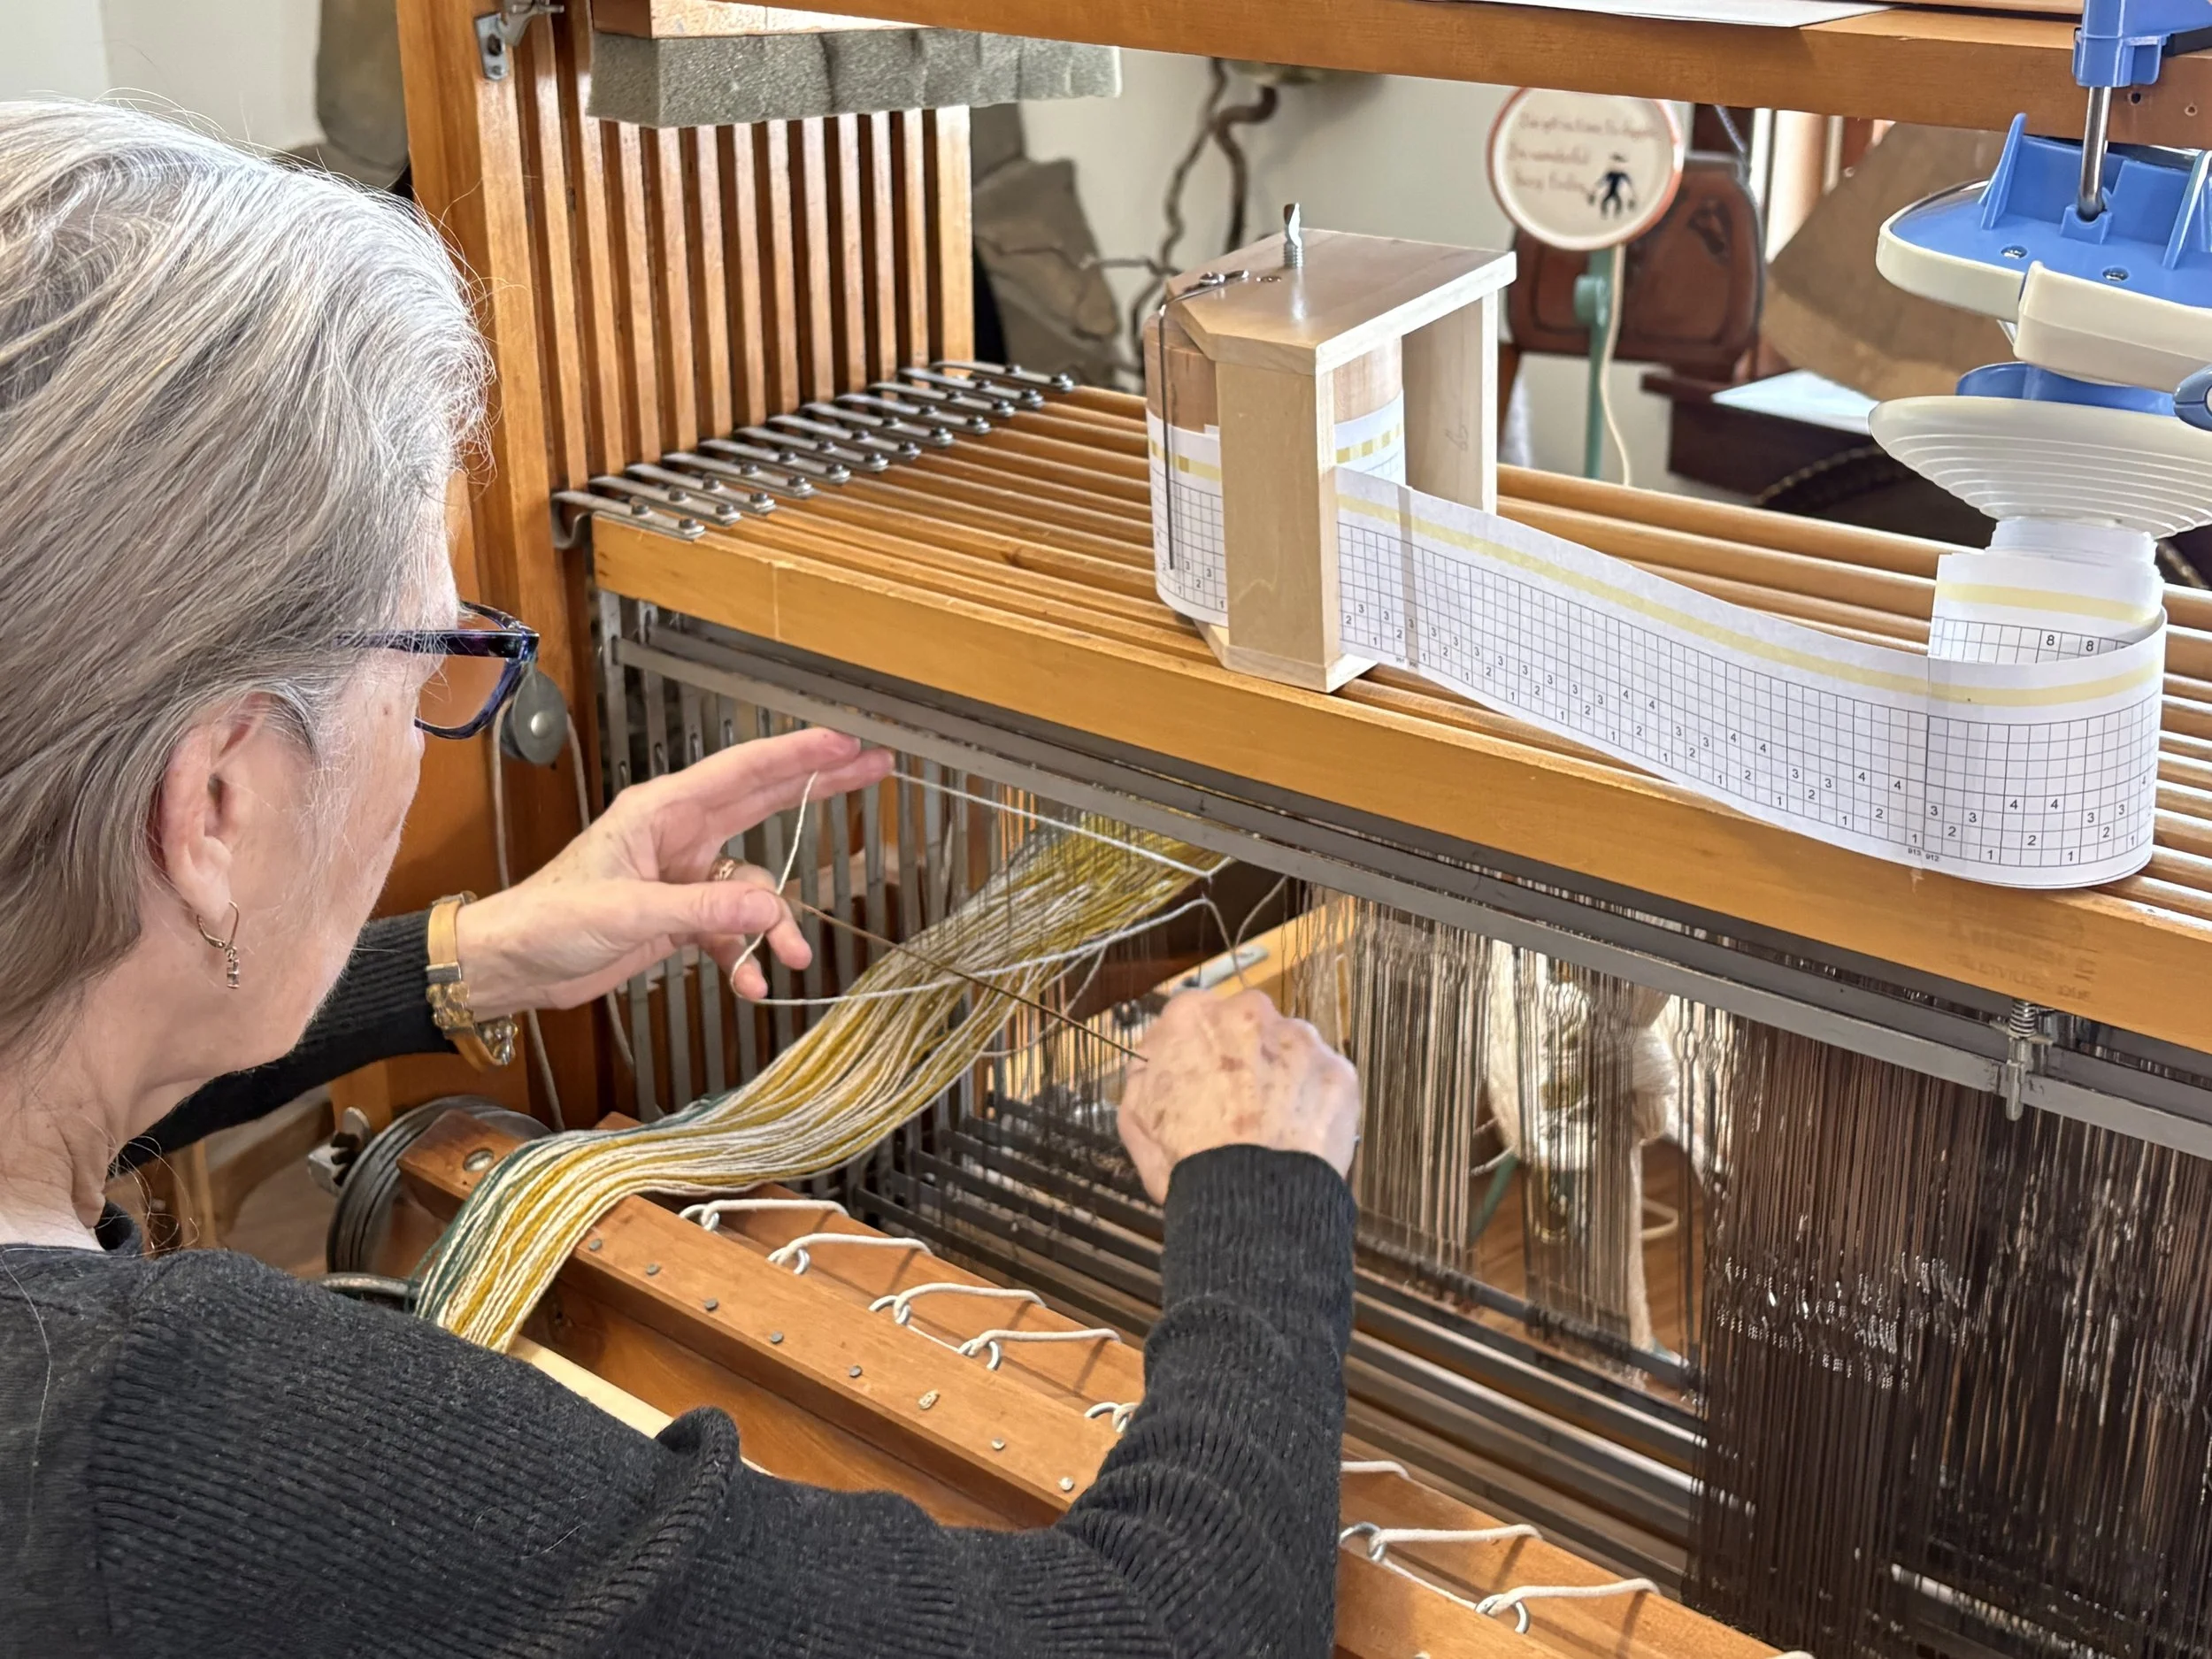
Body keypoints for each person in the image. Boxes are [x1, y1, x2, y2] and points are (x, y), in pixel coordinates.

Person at [0, 101, 1364, 1658]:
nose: (446, 700)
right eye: (438, 650)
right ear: (220, 801)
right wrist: (1262, 1187)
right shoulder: (197, 1450)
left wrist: (469, 953)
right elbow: (1172, 1632)